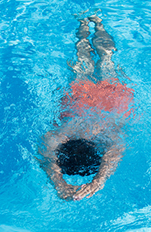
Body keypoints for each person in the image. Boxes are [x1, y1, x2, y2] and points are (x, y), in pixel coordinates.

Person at [40, 15, 134, 201]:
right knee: (83, 62)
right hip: (79, 102)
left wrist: (99, 180)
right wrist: (58, 183)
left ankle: (98, 24)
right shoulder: (61, 135)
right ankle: (86, 26)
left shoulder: (106, 136)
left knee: (107, 60)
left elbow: (115, 151)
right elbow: (46, 155)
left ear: (97, 151)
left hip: (113, 103)